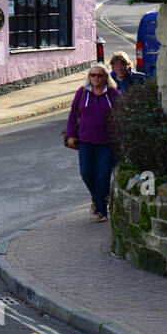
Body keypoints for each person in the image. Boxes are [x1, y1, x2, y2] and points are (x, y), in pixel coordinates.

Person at [64, 64, 121, 222]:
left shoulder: (113, 94)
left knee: (103, 176)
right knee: (86, 172)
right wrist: (71, 135)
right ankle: (98, 199)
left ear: (105, 77)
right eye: (93, 75)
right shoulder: (82, 93)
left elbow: (122, 117)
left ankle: (101, 211)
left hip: (106, 142)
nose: (96, 78)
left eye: (99, 75)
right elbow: (73, 114)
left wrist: (121, 138)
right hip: (85, 141)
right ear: (89, 77)